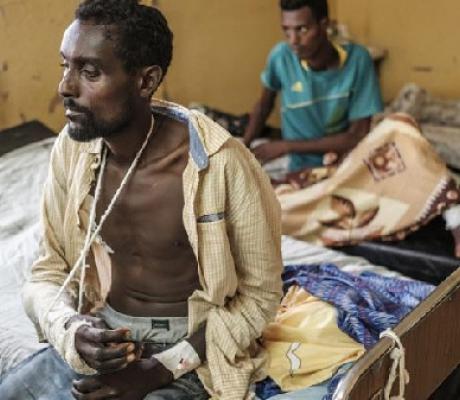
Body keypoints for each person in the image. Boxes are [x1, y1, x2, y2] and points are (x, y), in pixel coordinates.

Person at [0, 1, 282, 399]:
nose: (65, 87)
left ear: (146, 81)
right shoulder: (73, 150)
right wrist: (73, 332)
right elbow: (48, 273)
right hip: (107, 337)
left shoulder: (219, 165)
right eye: (65, 66)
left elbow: (261, 296)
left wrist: (164, 368)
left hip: (195, 343)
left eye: (89, 72)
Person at [243, 0, 383, 172]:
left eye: (302, 29)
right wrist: (242, 147)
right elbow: (263, 106)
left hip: (344, 165)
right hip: (298, 168)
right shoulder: (281, 58)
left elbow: (357, 136)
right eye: (286, 30)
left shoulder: (357, 60)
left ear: (324, 25)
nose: (293, 40)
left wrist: (287, 146)